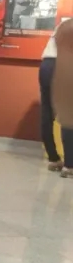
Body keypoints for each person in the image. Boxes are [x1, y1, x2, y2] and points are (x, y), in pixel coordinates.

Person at [40, 21, 73, 176]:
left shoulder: (65, 24)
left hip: (47, 65)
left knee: (47, 112)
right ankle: (70, 165)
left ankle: (53, 159)